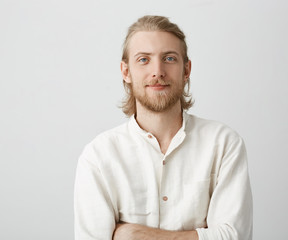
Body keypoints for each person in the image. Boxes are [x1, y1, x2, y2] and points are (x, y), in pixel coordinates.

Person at [74, 15, 253, 240]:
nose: (157, 71)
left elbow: (234, 236)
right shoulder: (99, 156)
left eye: (169, 58)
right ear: (126, 71)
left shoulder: (223, 143)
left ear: (186, 70)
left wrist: (133, 234)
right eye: (143, 59)